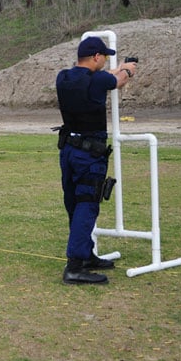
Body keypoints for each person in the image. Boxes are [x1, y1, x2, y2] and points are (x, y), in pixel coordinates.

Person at [56, 36, 137, 285]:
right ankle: (76, 265)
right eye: (103, 57)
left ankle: (86, 254)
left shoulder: (64, 77)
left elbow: (98, 78)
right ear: (96, 58)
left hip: (69, 150)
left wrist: (117, 68)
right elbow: (117, 80)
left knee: (75, 203)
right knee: (87, 204)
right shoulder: (100, 79)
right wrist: (128, 70)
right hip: (89, 155)